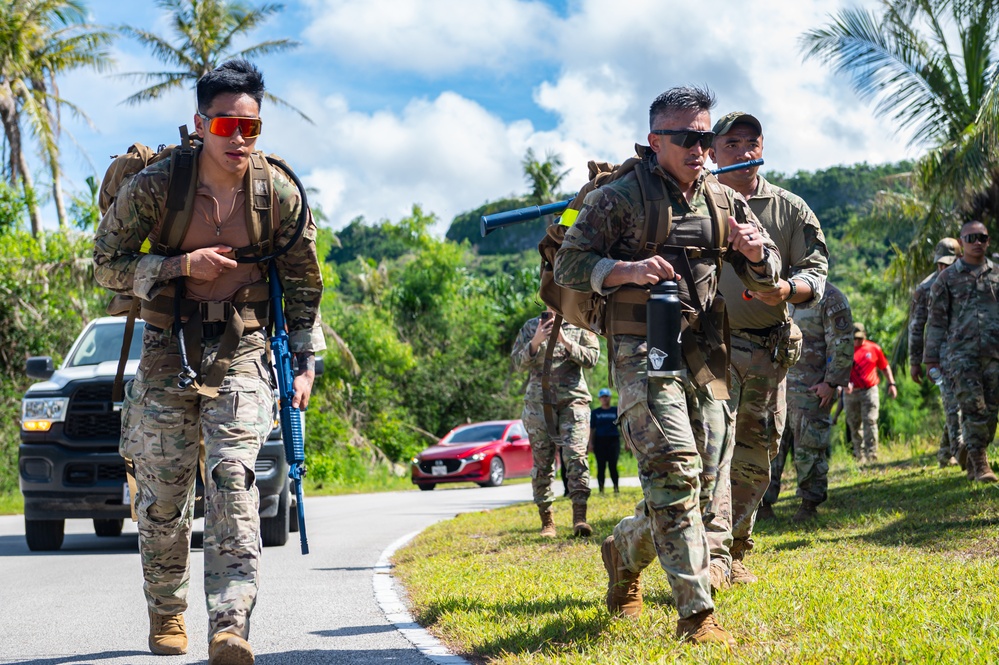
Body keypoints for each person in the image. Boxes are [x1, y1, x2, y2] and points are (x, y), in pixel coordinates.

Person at [93, 60, 325, 664]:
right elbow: (105, 264)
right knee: (163, 499)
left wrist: (305, 362)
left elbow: (302, 285)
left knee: (232, 480)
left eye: (251, 127)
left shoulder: (277, 193)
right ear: (201, 124)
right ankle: (167, 610)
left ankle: (231, 623)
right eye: (227, 126)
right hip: (169, 348)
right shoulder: (157, 187)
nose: (241, 139)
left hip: (245, 348)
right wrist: (178, 266)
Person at [555, 85, 781, 646]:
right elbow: (568, 262)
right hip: (640, 349)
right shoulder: (618, 198)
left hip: (704, 349)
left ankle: (624, 552)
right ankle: (697, 616)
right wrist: (623, 271)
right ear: (656, 141)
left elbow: (769, 269)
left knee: (702, 481)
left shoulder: (723, 200)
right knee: (674, 466)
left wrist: (757, 256)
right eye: (685, 138)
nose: (698, 148)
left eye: (704, 137)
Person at [706, 112, 828, 585]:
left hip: (768, 352)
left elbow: (816, 270)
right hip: (708, 348)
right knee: (712, 451)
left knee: (757, 456)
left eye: (751, 142)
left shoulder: (790, 209)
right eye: (731, 143)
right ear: (712, 152)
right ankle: (711, 556)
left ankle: (736, 550)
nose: (742, 151)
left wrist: (788, 290)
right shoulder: (695, 202)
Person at [760, 282, 853, 522]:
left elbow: (841, 343)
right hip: (776, 386)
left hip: (812, 388)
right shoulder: (778, 291)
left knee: (809, 448)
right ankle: (762, 505)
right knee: (770, 446)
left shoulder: (831, 297)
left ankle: (809, 505)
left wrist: (831, 383)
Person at [511, 307, 600, 537]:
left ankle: (580, 517)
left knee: (575, 456)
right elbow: (517, 364)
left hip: (573, 401)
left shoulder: (580, 324)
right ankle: (547, 521)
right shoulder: (532, 326)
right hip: (538, 404)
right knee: (542, 463)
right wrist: (535, 341)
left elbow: (592, 359)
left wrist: (565, 340)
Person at [925, 221, 999, 483]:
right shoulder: (947, 279)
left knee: (991, 411)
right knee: (972, 407)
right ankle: (981, 465)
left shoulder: (997, 275)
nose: (977, 242)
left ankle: (970, 446)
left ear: (988, 241)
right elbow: (935, 321)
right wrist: (930, 358)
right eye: (971, 237)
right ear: (962, 241)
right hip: (961, 356)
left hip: (993, 354)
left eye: (982, 237)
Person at [908, 237, 963, 468]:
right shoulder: (925, 288)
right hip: (939, 357)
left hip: (965, 352)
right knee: (952, 403)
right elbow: (916, 326)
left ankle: (944, 452)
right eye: (940, 263)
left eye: (948, 264)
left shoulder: (967, 281)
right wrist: (915, 361)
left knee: (960, 402)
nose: (943, 268)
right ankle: (961, 451)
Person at [845, 323, 897, 463]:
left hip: (869, 391)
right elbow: (837, 370)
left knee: (870, 421)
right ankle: (859, 456)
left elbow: (885, 367)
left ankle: (871, 455)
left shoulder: (874, 348)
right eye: (854, 338)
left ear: (865, 335)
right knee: (854, 424)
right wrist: (843, 384)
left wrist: (891, 384)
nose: (857, 341)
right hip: (850, 393)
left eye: (860, 338)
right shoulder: (844, 350)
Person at [589, 388, 621, 493]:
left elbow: (622, 427)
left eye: (606, 396)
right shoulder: (595, 413)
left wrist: (628, 442)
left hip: (613, 441)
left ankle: (616, 488)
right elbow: (592, 429)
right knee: (601, 466)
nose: (604, 399)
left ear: (610, 398)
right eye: (602, 397)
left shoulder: (615, 411)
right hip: (600, 441)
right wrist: (590, 444)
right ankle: (601, 489)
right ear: (599, 399)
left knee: (613, 465)